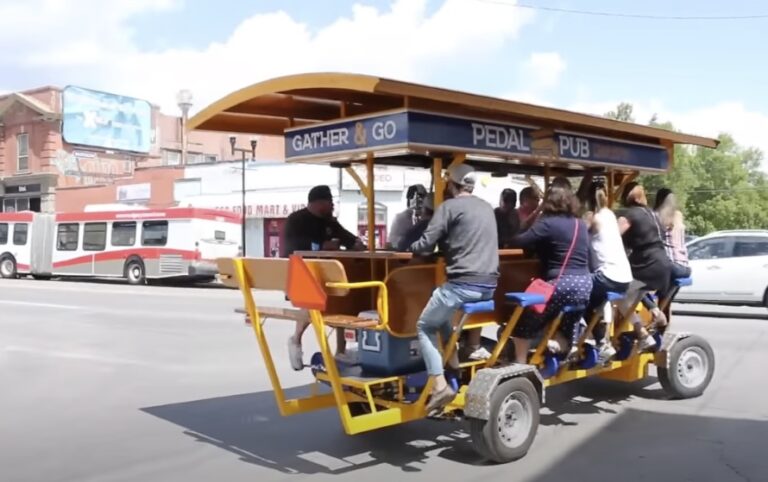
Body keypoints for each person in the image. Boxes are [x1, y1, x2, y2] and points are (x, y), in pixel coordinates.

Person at [409, 163, 499, 414]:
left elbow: (426, 244)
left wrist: (408, 246)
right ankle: (454, 368)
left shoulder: (448, 207)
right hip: (489, 285)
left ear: (452, 184)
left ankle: (439, 386)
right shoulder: (486, 208)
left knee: (424, 326)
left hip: (462, 285)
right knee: (442, 319)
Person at [282, 185, 366, 370]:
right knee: (312, 302)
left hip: (327, 276)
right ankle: (296, 339)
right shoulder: (297, 220)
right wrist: (322, 246)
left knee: (345, 296)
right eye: (330, 202)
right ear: (320, 203)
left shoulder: (329, 222)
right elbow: (291, 248)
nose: (333, 206)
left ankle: (341, 351)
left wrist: (356, 244)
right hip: (301, 275)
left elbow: (346, 237)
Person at [508, 185, 593, 362]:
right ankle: (564, 346)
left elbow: (518, 241)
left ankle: (520, 363)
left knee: (521, 324)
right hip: (584, 284)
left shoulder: (548, 223)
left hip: (561, 284)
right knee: (556, 322)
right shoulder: (580, 224)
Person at [616, 182, 673, 351]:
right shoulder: (652, 214)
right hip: (663, 263)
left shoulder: (629, 215)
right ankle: (657, 313)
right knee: (635, 288)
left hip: (647, 263)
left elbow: (612, 236)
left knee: (618, 293)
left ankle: (641, 332)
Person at [584, 181, 633, 361]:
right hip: (624, 276)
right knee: (594, 298)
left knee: (579, 293)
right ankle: (599, 339)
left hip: (607, 275)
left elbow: (580, 239)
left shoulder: (593, 219)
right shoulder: (610, 215)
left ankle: (600, 342)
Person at [388, 184, 427, 249]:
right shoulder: (399, 218)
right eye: (413, 197)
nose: (417, 200)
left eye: (421, 197)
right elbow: (393, 240)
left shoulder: (428, 218)